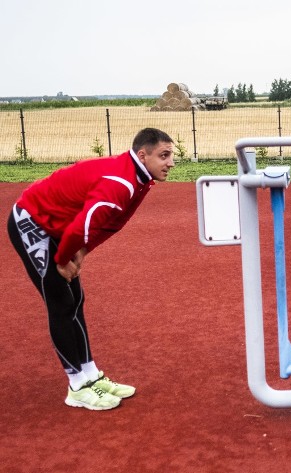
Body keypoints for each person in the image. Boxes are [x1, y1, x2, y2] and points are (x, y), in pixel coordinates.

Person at [7, 128, 175, 411]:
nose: (171, 162)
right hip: (32, 220)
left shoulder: (140, 178)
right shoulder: (120, 182)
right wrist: (63, 260)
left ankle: (90, 375)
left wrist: (81, 252)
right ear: (143, 155)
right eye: (164, 155)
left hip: (59, 227)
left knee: (76, 301)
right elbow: (83, 226)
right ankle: (76, 386)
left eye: (171, 156)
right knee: (61, 302)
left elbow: (112, 223)